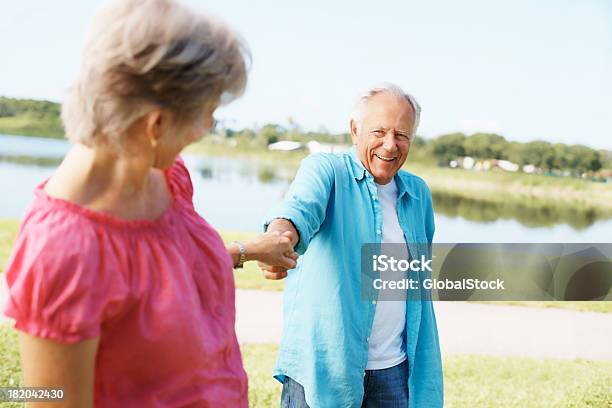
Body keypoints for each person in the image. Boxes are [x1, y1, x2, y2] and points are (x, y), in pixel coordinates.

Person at [2, 0, 297, 406]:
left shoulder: (167, 176)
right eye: (207, 112)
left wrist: (249, 250)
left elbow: (162, 273)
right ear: (155, 124)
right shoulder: (63, 252)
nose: (208, 128)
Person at [260, 83, 443, 407]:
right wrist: (279, 238)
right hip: (326, 368)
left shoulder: (418, 193)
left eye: (402, 135)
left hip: (394, 372)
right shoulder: (326, 170)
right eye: (380, 132)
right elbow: (297, 211)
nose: (391, 145)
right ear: (354, 129)